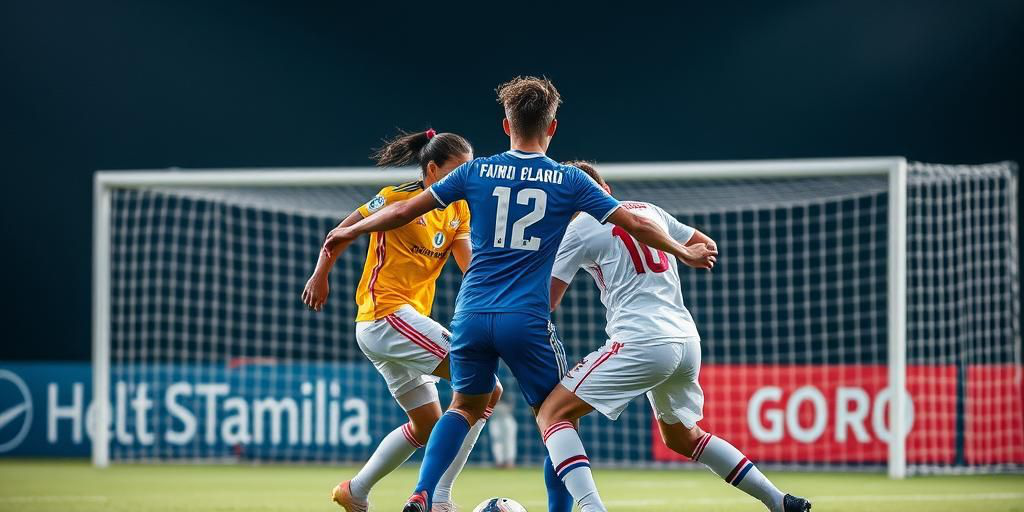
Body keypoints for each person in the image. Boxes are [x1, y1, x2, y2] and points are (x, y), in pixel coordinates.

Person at [320, 76, 717, 512]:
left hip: (471, 313)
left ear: (506, 125)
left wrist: (348, 230)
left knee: (464, 405)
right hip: (525, 318)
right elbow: (635, 224)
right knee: (557, 417)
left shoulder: (477, 169)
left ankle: (425, 493)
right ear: (553, 128)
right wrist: (682, 251)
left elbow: (401, 209)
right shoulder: (568, 179)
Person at [537, 161, 812, 512]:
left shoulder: (578, 228)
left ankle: (593, 508)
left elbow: (548, 302)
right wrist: (684, 255)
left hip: (641, 342)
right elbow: (704, 243)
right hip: (685, 342)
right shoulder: (649, 210)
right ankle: (779, 501)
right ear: (605, 189)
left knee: (553, 414)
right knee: (684, 438)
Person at [303, 128, 502, 512]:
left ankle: (355, 491)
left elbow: (470, 267)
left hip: (398, 325)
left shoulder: (457, 210)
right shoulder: (396, 198)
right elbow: (340, 233)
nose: (465, 178)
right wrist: (320, 274)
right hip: (385, 315)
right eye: (457, 170)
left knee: (428, 422)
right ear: (432, 168)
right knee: (487, 389)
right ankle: (439, 498)